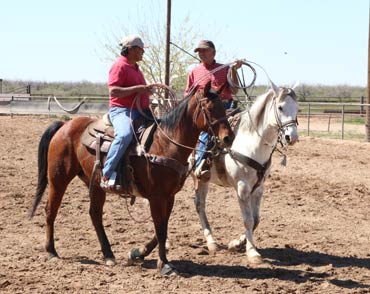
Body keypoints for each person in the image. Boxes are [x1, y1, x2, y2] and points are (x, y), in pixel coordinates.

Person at [100, 35, 155, 193]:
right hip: (122, 110)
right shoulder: (119, 66)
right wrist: (138, 89)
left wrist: (147, 91)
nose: (143, 52)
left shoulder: (136, 68)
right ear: (130, 50)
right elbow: (114, 91)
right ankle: (107, 173)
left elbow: (139, 90)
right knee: (124, 135)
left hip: (141, 111)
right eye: (140, 49)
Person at [184, 40, 242, 180]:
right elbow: (187, 95)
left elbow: (234, 89)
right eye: (199, 52)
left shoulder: (225, 69)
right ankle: (201, 165)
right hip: (206, 111)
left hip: (226, 107)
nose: (202, 54)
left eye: (205, 50)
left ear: (213, 52)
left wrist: (234, 70)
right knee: (209, 129)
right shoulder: (194, 72)